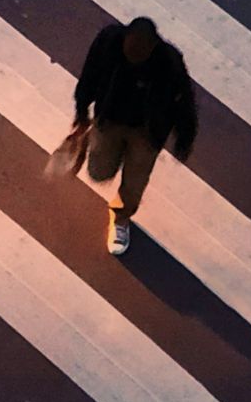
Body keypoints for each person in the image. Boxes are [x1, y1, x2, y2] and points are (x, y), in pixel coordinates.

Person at [72, 17, 198, 255]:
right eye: (130, 50)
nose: (133, 56)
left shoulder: (169, 62)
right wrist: (82, 109)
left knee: (135, 182)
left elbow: (184, 102)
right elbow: (90, 74)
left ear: (152, 47)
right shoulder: (108, 41)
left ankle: (121, 218)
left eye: (140, 53)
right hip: (109, 119)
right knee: (99, 172)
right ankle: (107, 148)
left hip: (147, 132)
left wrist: (184, 137)